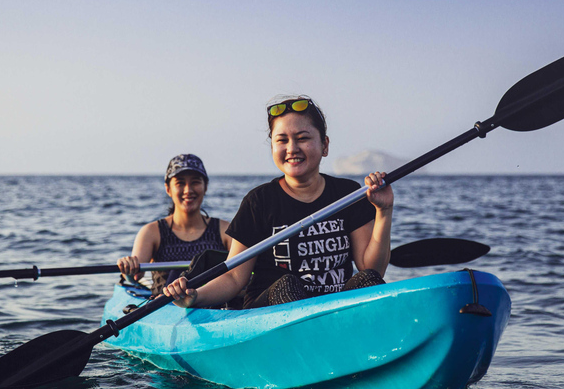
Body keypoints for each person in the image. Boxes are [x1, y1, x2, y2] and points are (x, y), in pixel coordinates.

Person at [162, 96, 393, 309]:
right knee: (287, 285)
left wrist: (383, 211)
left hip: (330, 310)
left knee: (368, 279)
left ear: (325, 145)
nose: (292, 148)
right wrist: (195, 296)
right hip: (269, 315)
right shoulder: (259, 202)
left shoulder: (348, 193)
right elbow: (234, 278)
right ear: (272, 147)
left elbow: (372, 269)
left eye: (303, 138)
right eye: (282, 140)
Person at [117, 154, 232, 296]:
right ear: (168, 189)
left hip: (214, 306)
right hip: (165, 308)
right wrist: (128, 268)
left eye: (195, 182)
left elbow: (241, 275)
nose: (188, 190)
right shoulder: (152, 232)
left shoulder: (225, 231)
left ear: (205, 187)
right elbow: (135, 277)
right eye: (180, 183)